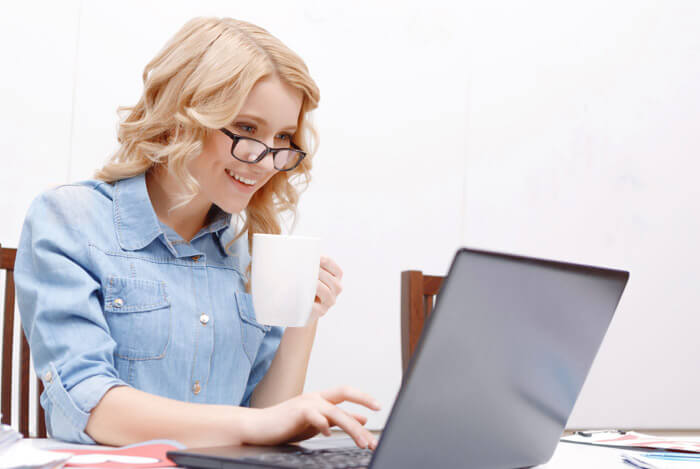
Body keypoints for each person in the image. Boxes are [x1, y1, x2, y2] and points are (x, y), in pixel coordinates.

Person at [14, 17, 380, 450]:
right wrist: (259, 425)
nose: (265, 161)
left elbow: (266, 424)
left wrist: (305, 317)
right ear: (183, 116)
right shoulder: (69, 219)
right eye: (246, 129)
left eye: (282, 137)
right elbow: (90, 405)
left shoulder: (246, 254)